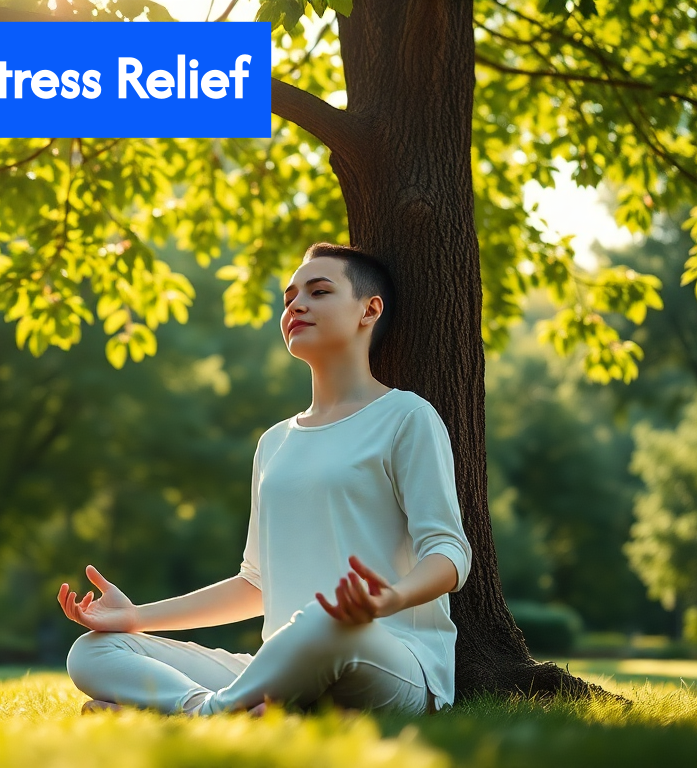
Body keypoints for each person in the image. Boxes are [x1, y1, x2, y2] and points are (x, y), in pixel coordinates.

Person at [57, 242, 472, 718]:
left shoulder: (406, 417)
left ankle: (211, 716)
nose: (297, 305)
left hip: (389, 660)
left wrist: (389, 598)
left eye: (318, 292)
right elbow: (255, 584)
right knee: (94, 650)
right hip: (279, 662)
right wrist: (134, 618)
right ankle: (220, 711)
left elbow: (450, 553)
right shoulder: (275, 442)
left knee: (325, 621)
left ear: (369, 309)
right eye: (290, 297)